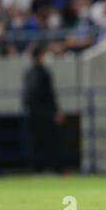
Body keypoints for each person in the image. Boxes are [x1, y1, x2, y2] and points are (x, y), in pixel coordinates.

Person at [22, 43, 64, 173]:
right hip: (45, 113)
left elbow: (27, 96)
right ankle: (55, 168)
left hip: (33, 113)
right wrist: (56, 111)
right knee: (50, 141)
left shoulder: (29, 73)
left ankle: (37, 168)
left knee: (36, 142)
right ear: (40, 56)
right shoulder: (44, 73)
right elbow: (49, 94)